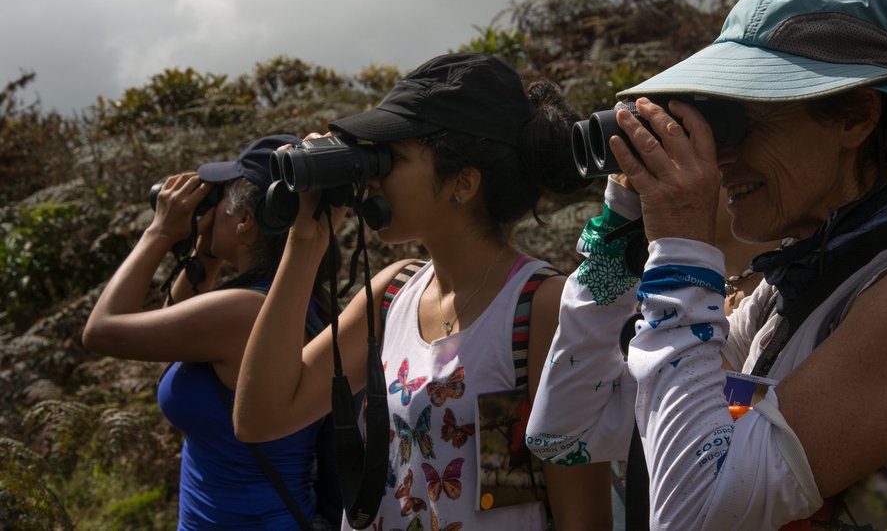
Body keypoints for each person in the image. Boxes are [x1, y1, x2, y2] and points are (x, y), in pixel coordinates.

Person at [525, 0, 887, 529]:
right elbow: (563, 435)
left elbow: (695, 513)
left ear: (854, 118)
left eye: (738, 119)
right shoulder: (785, 294)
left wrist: (680, 247)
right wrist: (618, 233)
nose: (721, 156)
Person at [233, 53, 613, 530]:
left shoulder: (541, 308)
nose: (372, 174)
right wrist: (305, 242)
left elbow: (585, 518)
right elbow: (260, 417)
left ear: (463, 182)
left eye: (393, 157)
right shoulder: (391, 293)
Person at [83, 134, 337, 530]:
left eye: (217, 201)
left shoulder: (242, 313)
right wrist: (203, 255)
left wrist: (159, 232)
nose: (208, 210)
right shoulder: (299, 303)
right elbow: (173, 334)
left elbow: (101, 330)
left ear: (245, 223)